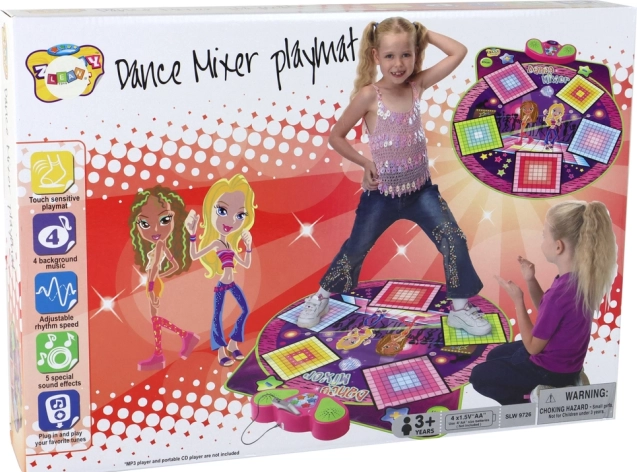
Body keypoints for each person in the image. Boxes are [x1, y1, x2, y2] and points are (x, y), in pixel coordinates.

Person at [297, 17, 490, 337]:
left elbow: (458, 52)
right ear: (376, 56)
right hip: (381, 196)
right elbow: (336, 137)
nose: (398, 64)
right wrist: (364, 163)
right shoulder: (369, 95)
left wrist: (423, 32)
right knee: (356, 247)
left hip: (421, 192)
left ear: (416, 54)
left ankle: (459, 309)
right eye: (389, 56)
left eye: (406, 54)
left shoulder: (417, 85)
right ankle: (321, 297)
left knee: (454, 239)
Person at [470, 201, 617, 405]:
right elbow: (547, 313)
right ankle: (570, 381)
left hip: (549, 370)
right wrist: (530, 279)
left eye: (544, 235)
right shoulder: (578, 281)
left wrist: (518, 301)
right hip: (567, 365)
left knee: (478, 376)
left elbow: (532, 347)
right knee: (495, 355)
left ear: (558, 246)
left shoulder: (560, 293)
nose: (541, 241)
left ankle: (536, 397)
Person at [186, 174, 256, 367]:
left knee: (244, 309)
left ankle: (233, 344)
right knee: (217, 317)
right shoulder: (217, 243)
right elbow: (195, 255)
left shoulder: (230, 244)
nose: (231, 220)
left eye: (239, 215)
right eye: (222, 211)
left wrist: (248, 246)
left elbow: (246, 263)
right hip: (221, 285)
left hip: (231, 284)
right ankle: (221, 352)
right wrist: (192, 235)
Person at [129, 186, 199, 371]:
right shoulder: (161, 245)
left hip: (153, 283)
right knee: (155, 318)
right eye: (145, 224)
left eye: (164, 220)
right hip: (155, 282)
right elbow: (173, 265)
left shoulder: (160, 245)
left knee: (155, 318)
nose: (155, 229)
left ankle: (173, 345)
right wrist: (161, 276)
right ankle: (180, 341)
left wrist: (153, 284)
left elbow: (155, 268)